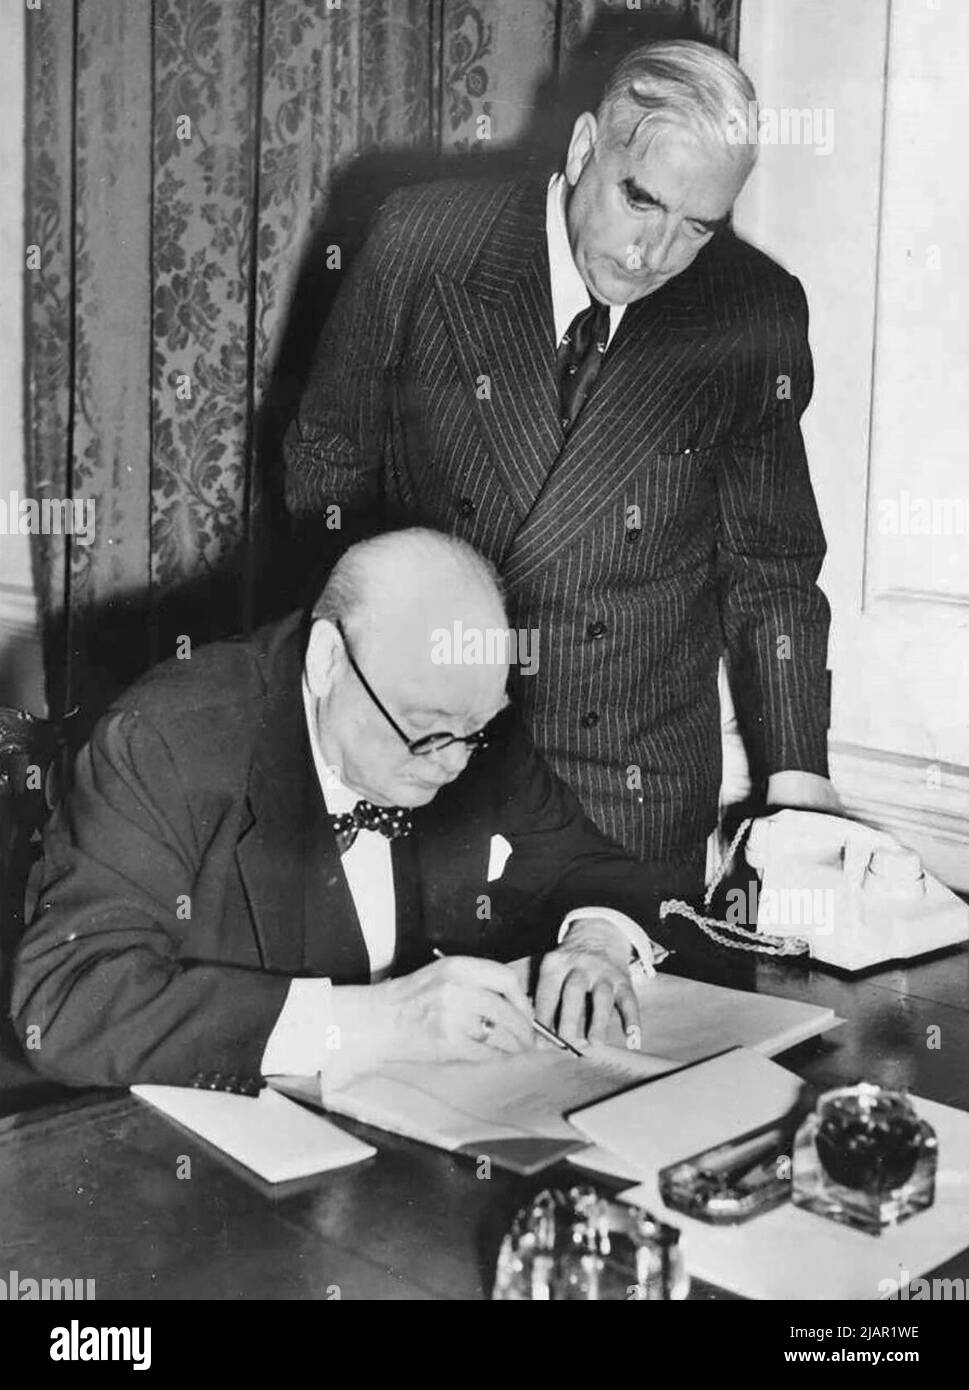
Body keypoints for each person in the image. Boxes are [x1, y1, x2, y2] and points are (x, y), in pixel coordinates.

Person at [282, 39, 841, 901]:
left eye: (696, 227)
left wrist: (798, 779)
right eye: (640, 200)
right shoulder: (426, 241)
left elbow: (770, 566)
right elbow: (327, 463)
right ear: (584, 148)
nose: (653, 253)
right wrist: (363, 692)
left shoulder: (749, 310)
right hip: (432, 755)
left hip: (631, 791)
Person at [12, 529, 669, 1095]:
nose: (451, 764)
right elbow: (67, 1002)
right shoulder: (166, 740)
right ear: (327, 660)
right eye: (425, 731)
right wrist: (376, 1022)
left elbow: (587, 864)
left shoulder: (463, 717)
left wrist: (596, 941)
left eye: (475, 729)